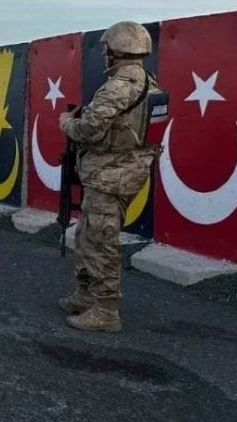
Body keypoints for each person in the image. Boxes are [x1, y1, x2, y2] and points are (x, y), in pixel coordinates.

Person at [58, 21, 161, 332]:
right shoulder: (148, 82)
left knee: (101, 239)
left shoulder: (117, 87)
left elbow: (88, 129)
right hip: (122, 170)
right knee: (88, 234)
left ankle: (105, 310)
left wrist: (66, 122)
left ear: (116, 52)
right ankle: (86, 295)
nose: (104, 55)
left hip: (109, 174)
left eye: (106, 50)